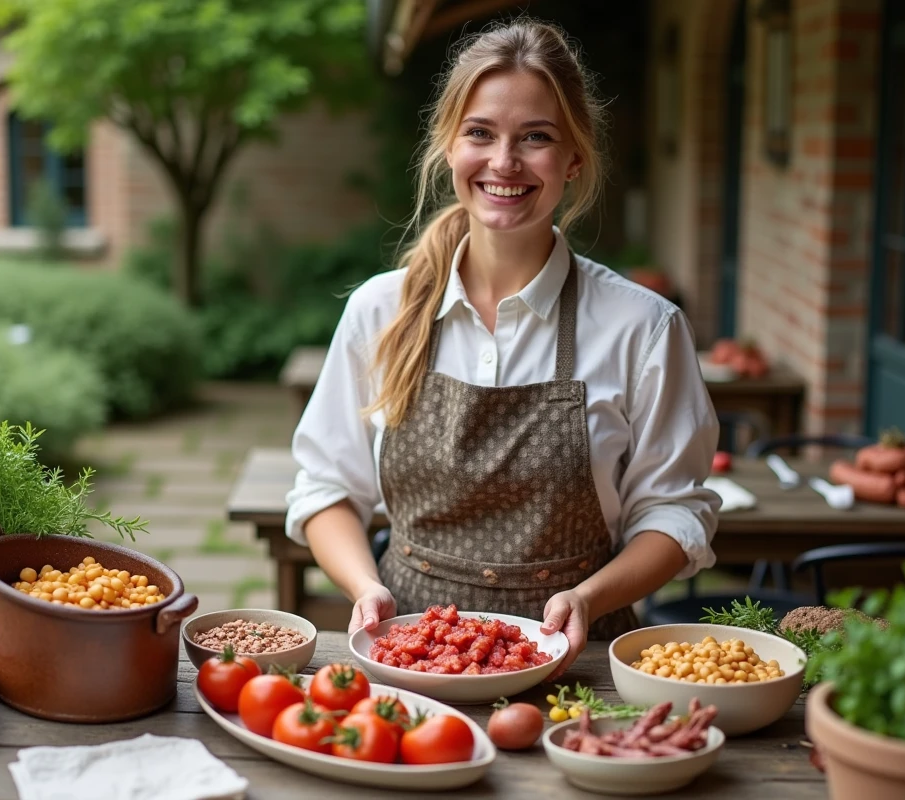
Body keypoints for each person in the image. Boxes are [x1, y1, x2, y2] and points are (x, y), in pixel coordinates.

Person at [285, 19, 720, 677]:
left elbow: (675, 512)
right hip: (409, 662)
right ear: (449, 145)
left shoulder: (644, 328)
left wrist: (588, 595)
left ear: (574, 158)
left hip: (580, 665)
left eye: (536, 138)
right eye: (481, 133)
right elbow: (325, 489)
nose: (504, 162)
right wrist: (364, 588)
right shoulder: (382, 309)